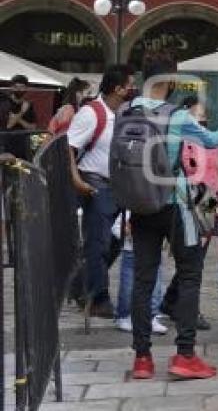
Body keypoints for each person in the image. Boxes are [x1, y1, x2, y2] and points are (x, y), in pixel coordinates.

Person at [128, 52, 218, 381]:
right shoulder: (178, 116)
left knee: (143, 281)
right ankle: (185, 354)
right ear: (171, 80)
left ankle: (142, 358)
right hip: (175, 204)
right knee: (190, 274)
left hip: (140, 204)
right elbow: (210, 139)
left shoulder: (127, 111)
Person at [66, 65, 136, 318]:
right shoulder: (91, 112)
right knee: (98, 243)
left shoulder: (122, 113)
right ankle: (98, 298)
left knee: (115, 241)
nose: (133, 89)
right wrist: (76, 180)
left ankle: (80, 285)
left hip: (117, 186)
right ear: (117, 89)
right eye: (130, 84)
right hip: (95, 184)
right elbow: (69, 147)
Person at [158, 94, 215, 332]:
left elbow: (217, 169)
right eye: (196, 116)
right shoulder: (178, 138)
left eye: (203, 118)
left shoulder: (207, 140)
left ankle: (171, 300)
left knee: (196, 257)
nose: (200, 122)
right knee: (192, 260)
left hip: (208, 201)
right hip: (186, 202)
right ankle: (187, 308)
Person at [113, 211, 168, 335]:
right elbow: (116, 228)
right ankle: (124, 315)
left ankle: (152, 316)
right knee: (127, 287)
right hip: (130, 252)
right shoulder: (128, 211)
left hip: (153, 252)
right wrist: (125, 231)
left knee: (155, 286)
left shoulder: (158, 210)